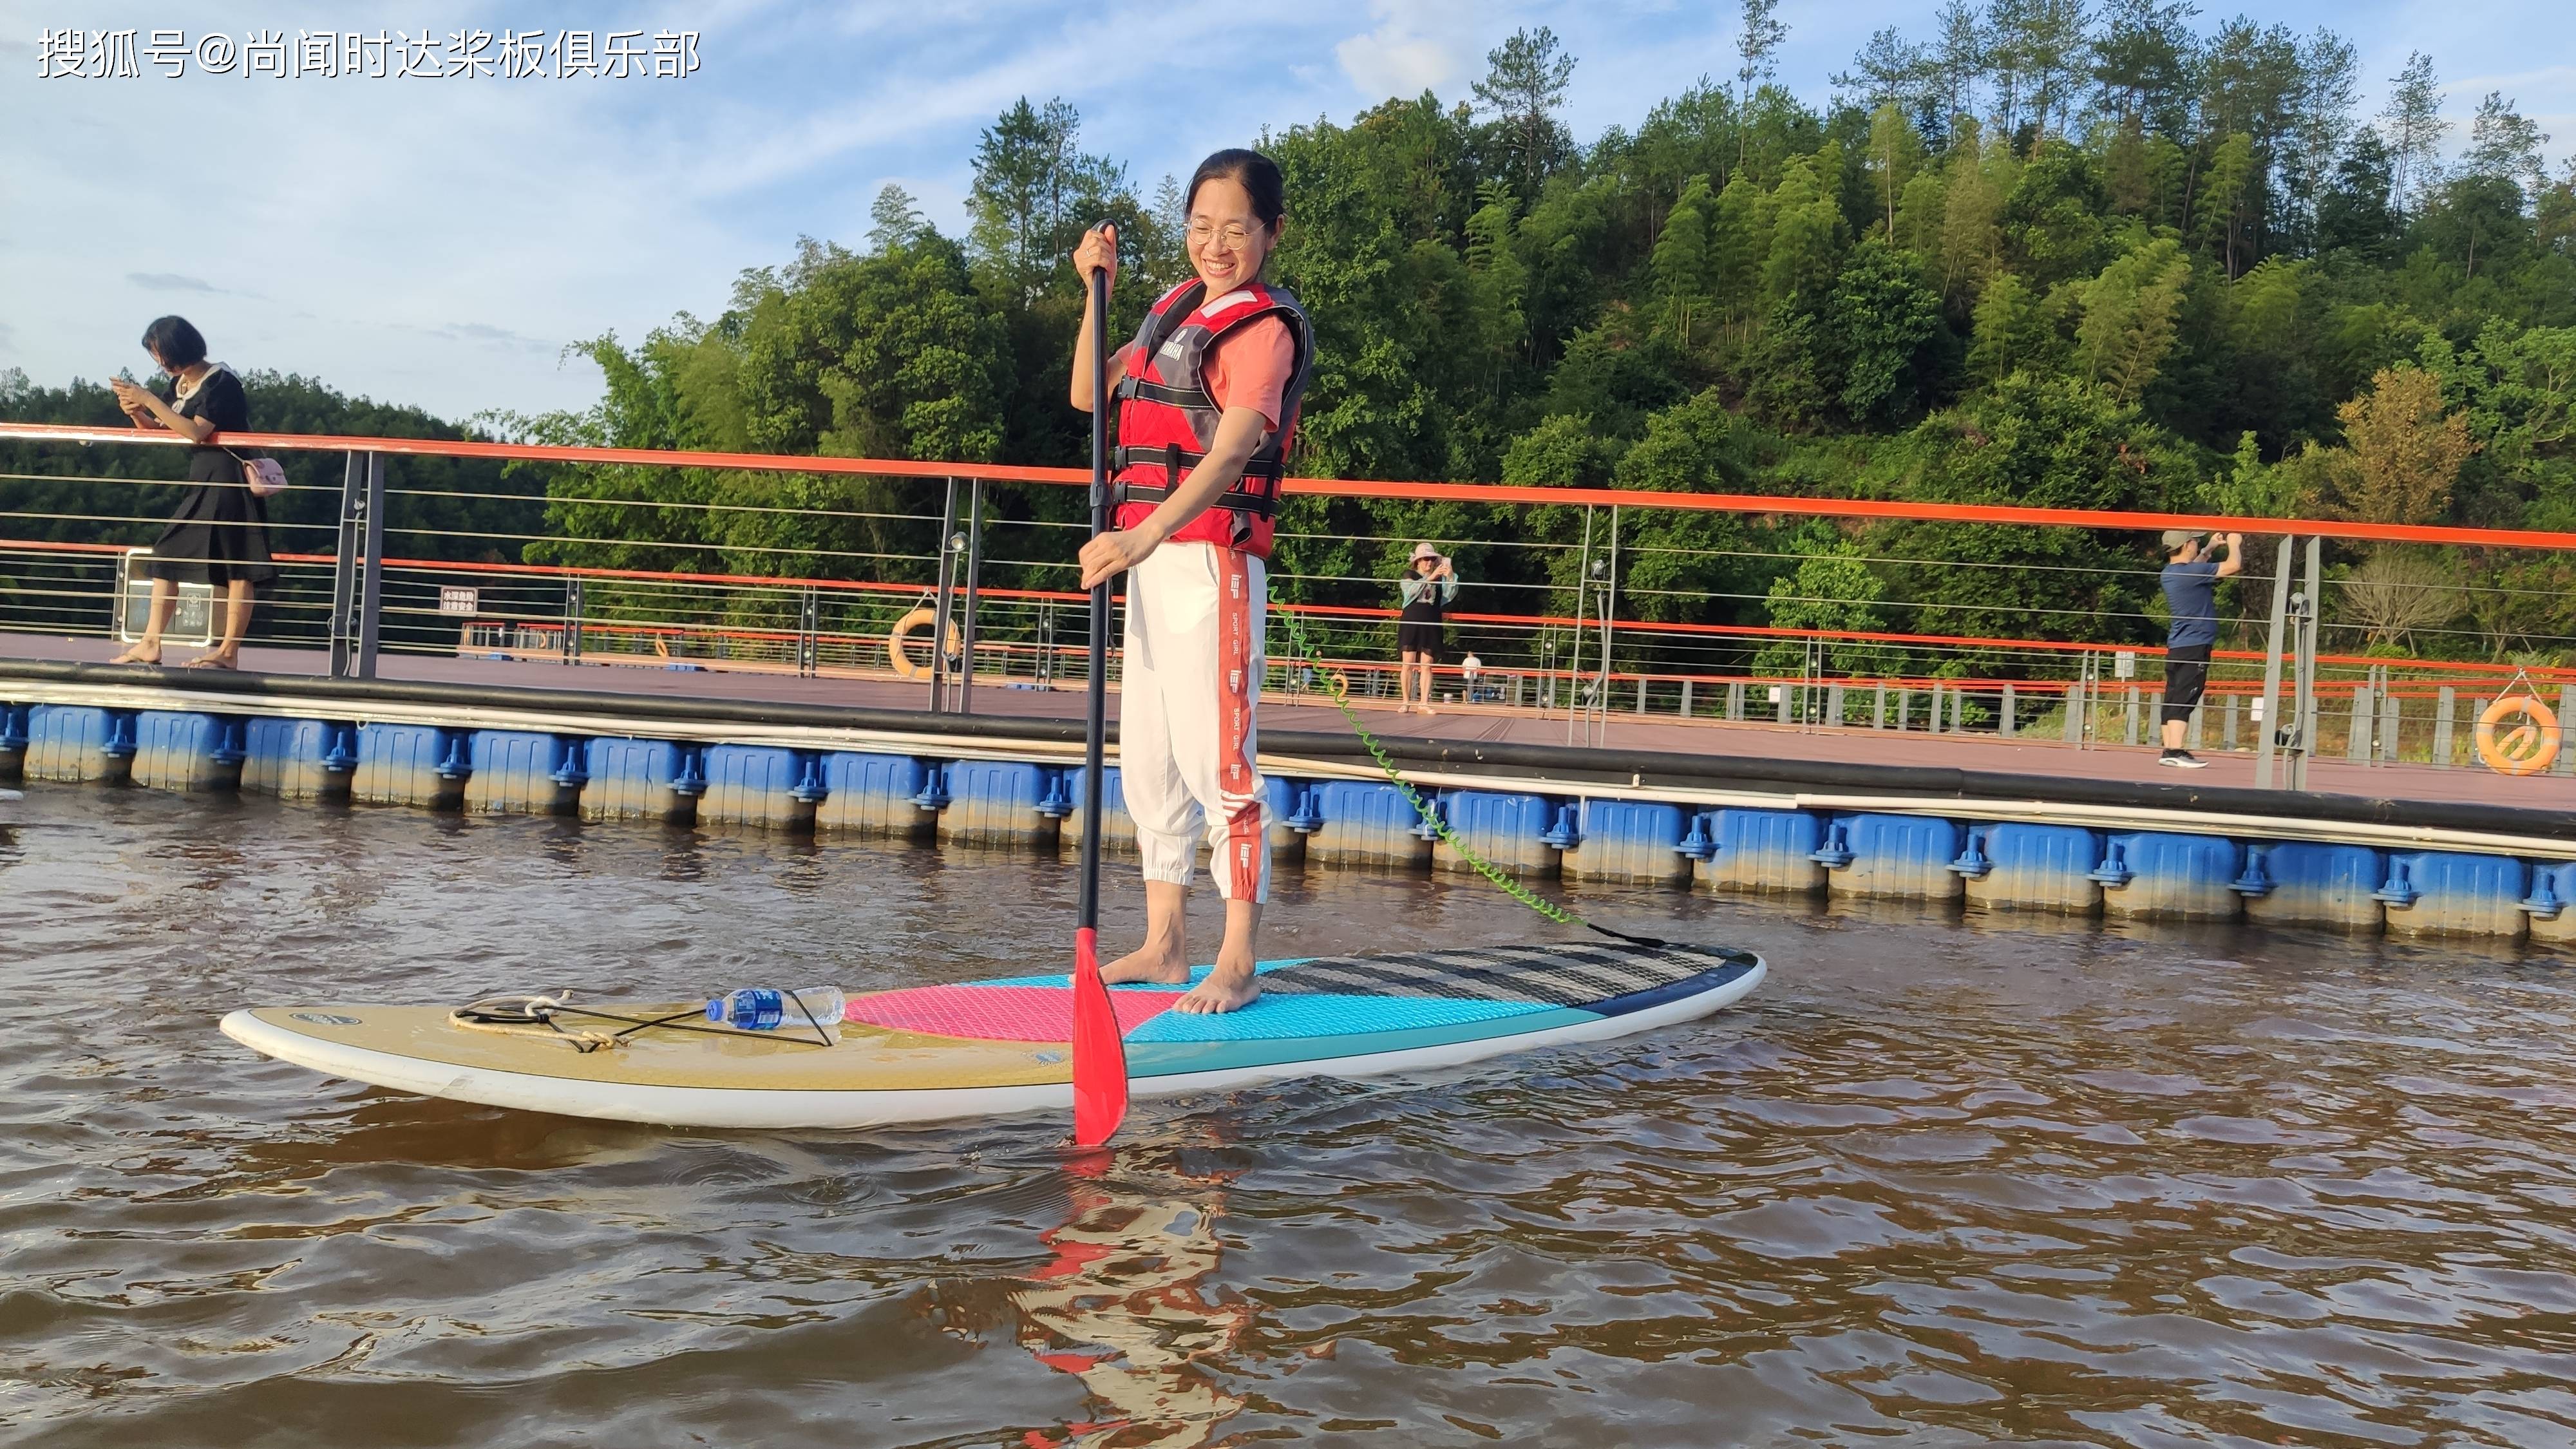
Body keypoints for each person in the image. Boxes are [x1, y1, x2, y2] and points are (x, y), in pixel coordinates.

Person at [1070, 149, 1314, 1015]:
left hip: (1211, 560)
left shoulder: (1264, 331)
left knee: (1221, 763)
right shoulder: (1170, 310)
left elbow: (1233, 448)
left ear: (1271, 233)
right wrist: (1093, 293)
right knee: (1153, 758)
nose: (1216, 245)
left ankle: (1238, 957)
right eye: (1201, 226)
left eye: (1236, 229)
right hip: (1151, 563)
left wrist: (1143, 536)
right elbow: (1087, 396)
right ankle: (1166, 942)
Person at [105, 316, 274, 669]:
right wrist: (137, 412)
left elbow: (197, 432)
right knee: (166, 555)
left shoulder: (222, 383)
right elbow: (166, 428)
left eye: (159, 353)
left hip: (229, 478)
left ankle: (228, 652)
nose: (157, 360)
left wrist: (149, 399)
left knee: (237, 565)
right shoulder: (180, 385)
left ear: (176, 351)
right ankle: (150, 642)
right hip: (202, 477)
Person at [2155, 527, 2241, 768]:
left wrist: (2210, 548)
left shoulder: (2172, 573)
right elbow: (2233, 565)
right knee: (2186, 695)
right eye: (2194, 541)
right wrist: (2235, 543)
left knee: (2174, 696)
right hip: (2195, 644)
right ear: (2186, 546)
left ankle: (2170, 749)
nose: (2196, 544)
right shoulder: (2190, 573)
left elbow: (2197, 565)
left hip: (2179, 645)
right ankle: (2175, 750)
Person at [1396, 542, 1457, 714]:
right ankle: (1406, 701)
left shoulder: (1440, 579)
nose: (1429, 563)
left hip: (1431, 622)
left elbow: (1450, 596)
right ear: (1417, 561)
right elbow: (1409, 592)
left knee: (1427, 664)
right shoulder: (1409, 575)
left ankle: (1424, 702)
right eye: (1425, 559)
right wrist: (1431, 577)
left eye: (1431, 559)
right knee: (1407, 663)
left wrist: (1450, 575)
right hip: (1411, 621)